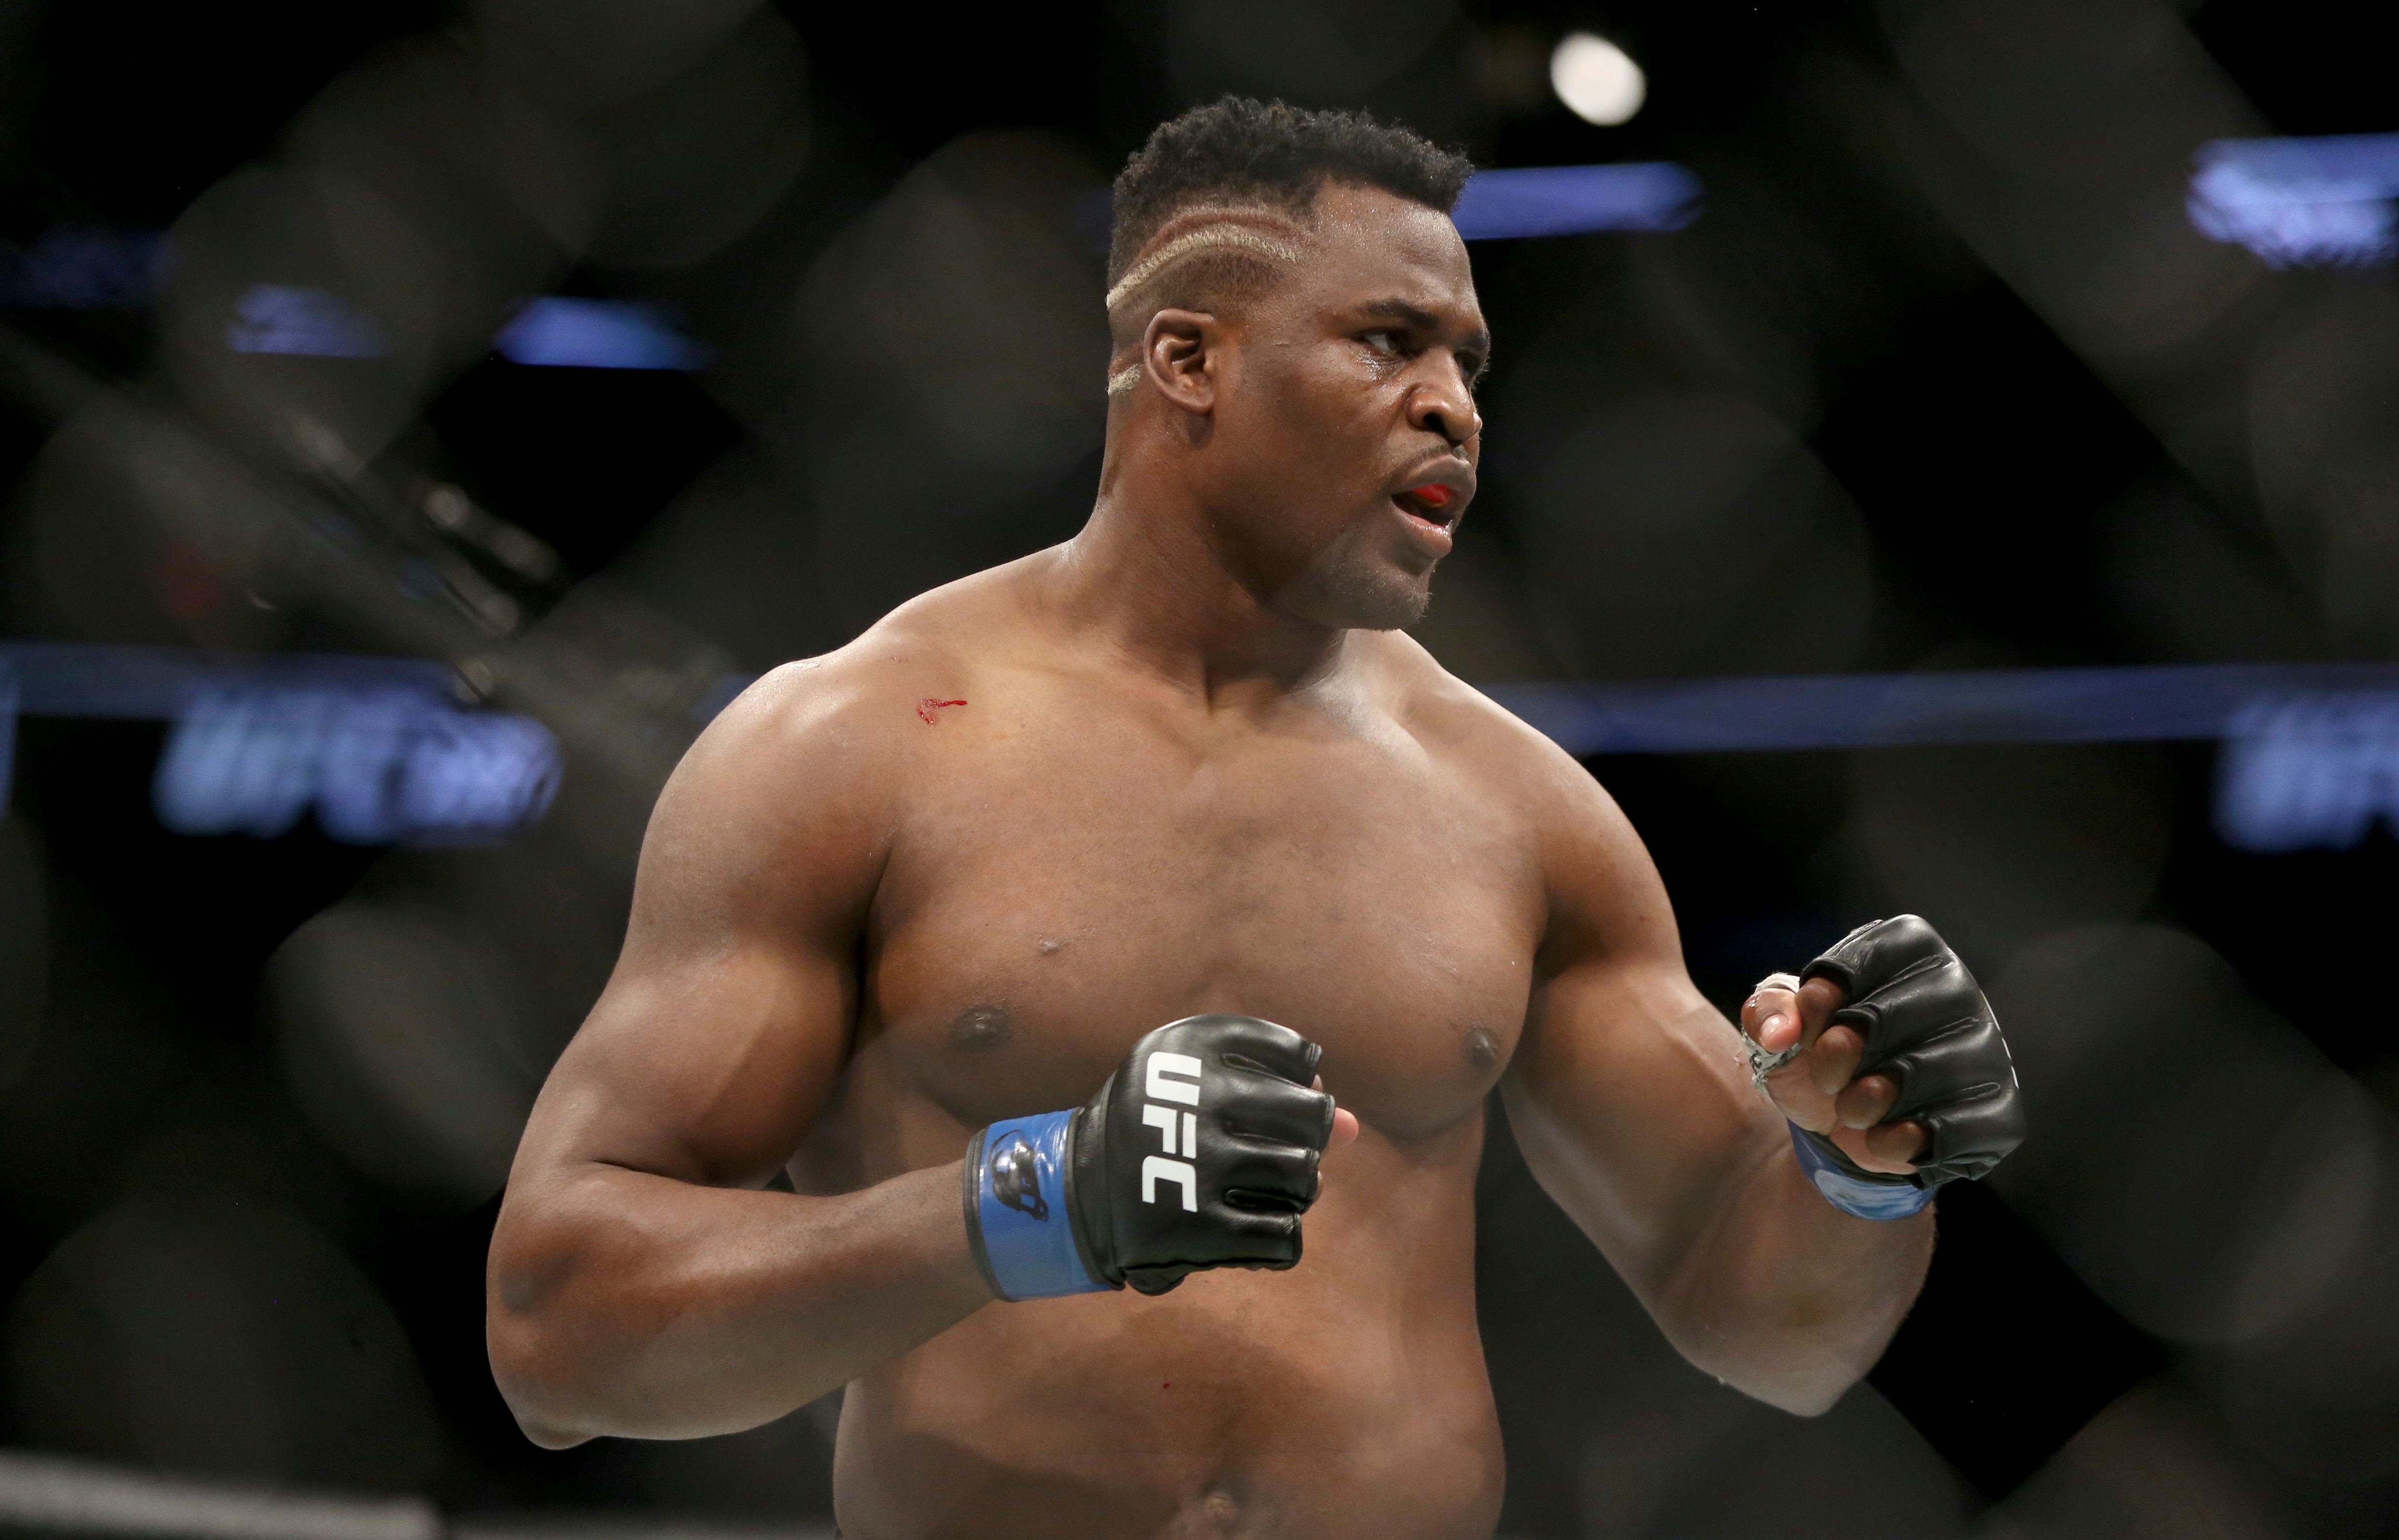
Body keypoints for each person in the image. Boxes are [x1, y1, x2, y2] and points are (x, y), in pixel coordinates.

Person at [486, 97, 2024, 1540]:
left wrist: (1858, 1164)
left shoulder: (1519, 807)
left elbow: (1771, 1328)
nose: (1454, 408)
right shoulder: (854, 745)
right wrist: (1036, 1204)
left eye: (1471, 362)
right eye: (1390, 340)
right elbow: (557, 1331)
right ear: (1185, 359)